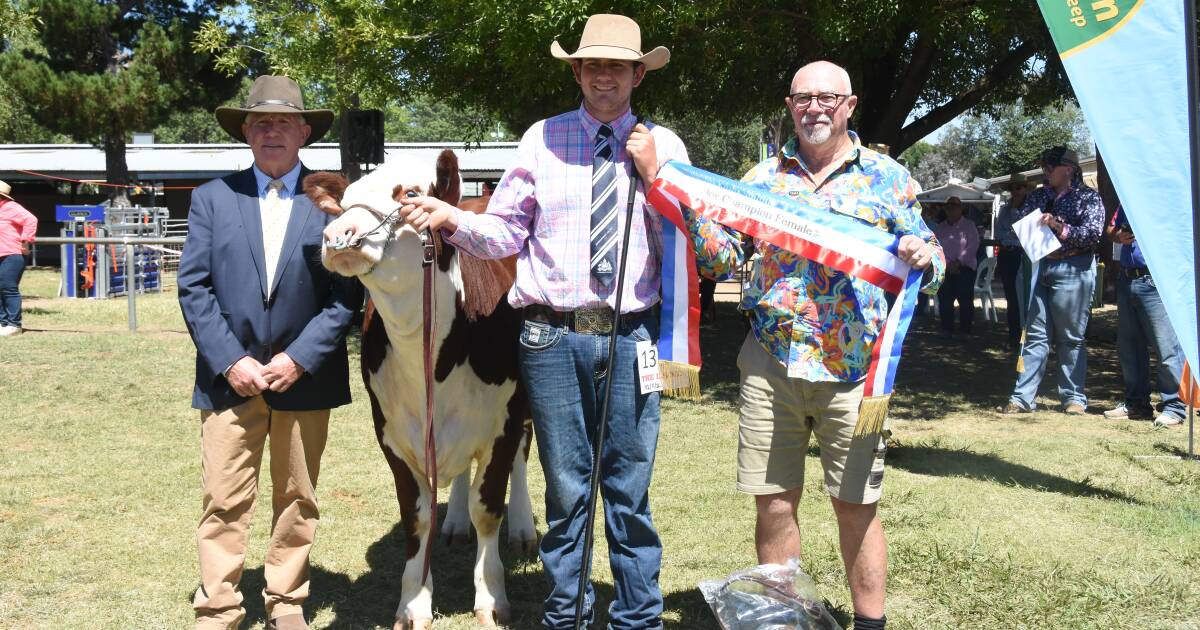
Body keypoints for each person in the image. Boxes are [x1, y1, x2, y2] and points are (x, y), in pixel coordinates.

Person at [399, 14, 722, 630]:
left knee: (630, 488)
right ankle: (566, 615)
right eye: (592, 65)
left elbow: (695, 241)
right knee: (568, 488)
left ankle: (636, 617)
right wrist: (449, 217)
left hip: (634, 337)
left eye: (617, 67)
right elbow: (504, 232)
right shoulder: (540, 138)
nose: (604, 77)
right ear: (577, 71)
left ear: (637, 75)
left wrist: (656, 176)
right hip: (549, 336)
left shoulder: (665, 145)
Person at [685, 61, 945, 630]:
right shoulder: (759, 180)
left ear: (850, 105)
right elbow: (722, 259)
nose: (816, 108)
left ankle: (869, 624)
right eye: (804, 99)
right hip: (771, 360)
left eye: (828, 97)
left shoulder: (888, 177)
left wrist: (928, 255)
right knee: (774, 500)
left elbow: (929, 249)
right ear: (789, 105)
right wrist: (688, 204)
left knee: (855, 505)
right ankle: (784, 620)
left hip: (854, 370)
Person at [177, 75, 361, 630]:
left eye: (284, 121)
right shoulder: (213, 197)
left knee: (297, 497)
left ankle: (286, 603)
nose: (272, 131)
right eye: (261, 122)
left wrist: (299, 358)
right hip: (227, 380)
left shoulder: (335, 202)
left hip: (304, 379)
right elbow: (194, 287)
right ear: (246, 133)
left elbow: (348, 292)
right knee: (224, 498)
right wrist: (231, 361)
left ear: (304, 131)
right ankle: (219, 605)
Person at [997, 146, 1104, 416]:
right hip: (1038, 267)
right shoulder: (1039, 195)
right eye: (1044, 166)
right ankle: (1022, 398)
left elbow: (1092, 235)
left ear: (1068, 169)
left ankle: (1073, 398)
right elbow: (1021, 223)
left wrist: (1057, 225)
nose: (1045, 171)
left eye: (1050, 167)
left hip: (1073, 269)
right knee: (1034, 335)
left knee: (1070, 336)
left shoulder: (1089, 198)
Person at [1103, 205, 1187, 427]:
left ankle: (1175, 406)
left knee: (1166, 347)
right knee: (1129, 347)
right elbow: (1110, 228)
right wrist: (1118, 235)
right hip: (1128, 278)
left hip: (1155, 279)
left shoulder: (1161, 196)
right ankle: (1136, 403)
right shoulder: (1129, 195)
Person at [993, 173, 1030, 349]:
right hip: (1007, 255)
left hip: (1023, 256)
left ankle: (1028, 337)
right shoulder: (1004, 209)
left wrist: (1013, 232)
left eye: (1019, 187)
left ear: (1025, 189)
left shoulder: (1030, 208)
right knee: (1011, 298)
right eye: (1013, 188)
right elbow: (999, 233)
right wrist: (1013, 233)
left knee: (1024, 296)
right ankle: (1013, 337)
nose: (1016, 191)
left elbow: (1026, 235)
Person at [933, 196, 978, 335]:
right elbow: (936, 248)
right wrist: (947, 264)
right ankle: (947, 329)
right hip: (945, 268)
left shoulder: (969, 225)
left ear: (961, 208)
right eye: (948, 206)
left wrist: (959, 262)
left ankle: (965, 331)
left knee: (965, 302)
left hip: (964, 268)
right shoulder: (940, 227)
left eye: (955, 205)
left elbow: (973, 246)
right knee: (945, 301)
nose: (951, 208)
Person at [0, 180, 37, 337]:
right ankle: (3, 322)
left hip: (12, 253)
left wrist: (25, 240)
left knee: (8, 288)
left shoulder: (10, 207)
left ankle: (14, 324)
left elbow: (31, 220)